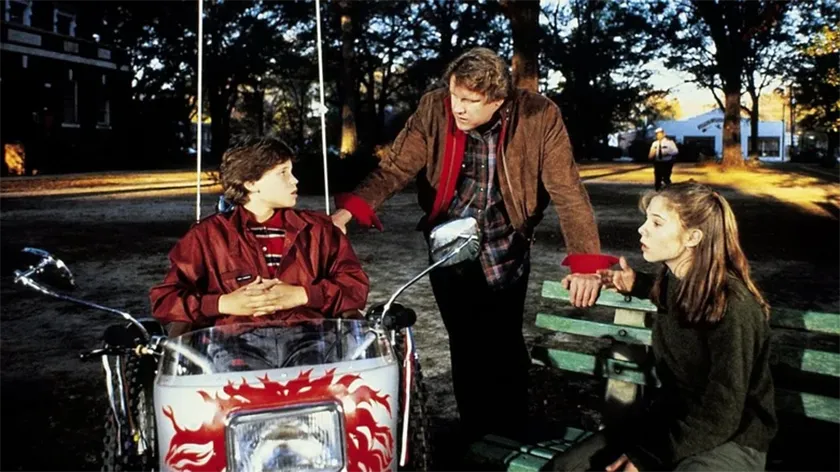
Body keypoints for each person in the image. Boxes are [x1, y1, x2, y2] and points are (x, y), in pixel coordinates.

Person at [329, 47, 614, 441]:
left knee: (506, 344)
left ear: (498, 101)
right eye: (454, 96)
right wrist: (348, 213)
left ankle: (510, 432)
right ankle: (477, 437)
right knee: (467, 344)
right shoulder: (434, 109)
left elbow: (567, 190)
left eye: (470, 101)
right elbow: (395, 167)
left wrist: (585, 262)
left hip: (507, 243)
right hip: (449, 244)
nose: (458, 107)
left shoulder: (539, 115)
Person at [550, 181, 777, 472]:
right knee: (568, 468)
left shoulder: (733, 306)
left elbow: (722, 412)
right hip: (670, 420)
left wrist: (649, 456)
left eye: (657, 223)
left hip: (733, 438)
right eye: (647, 220)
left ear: (693, 237)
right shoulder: (673, 281)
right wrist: (635, 283)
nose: (642, 229)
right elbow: (670, 295)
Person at [149, 136, 370, 334]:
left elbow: (356, 288)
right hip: (233, 349)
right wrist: (222, 304)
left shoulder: (318, 230)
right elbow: (164, 300)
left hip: (309, 342)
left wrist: (303, 295)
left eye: (291, 172)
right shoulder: (207, 237)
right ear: (251, 183)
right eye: (283, 173)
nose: (295, 180)